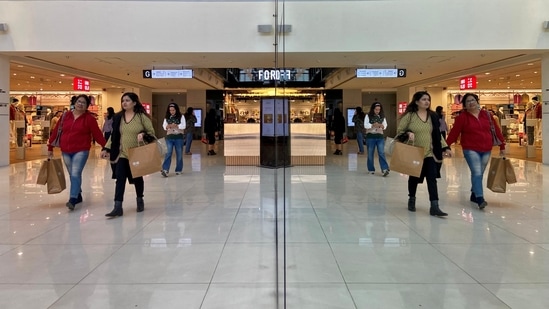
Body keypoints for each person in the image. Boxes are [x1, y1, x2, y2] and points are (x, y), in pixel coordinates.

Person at [397, 91, 453, 217]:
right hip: (415, 152)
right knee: (414, 178)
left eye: (428, 99)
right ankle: (412, 198)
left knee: (432, 179)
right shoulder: (410, 116)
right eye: (423, 99)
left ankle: (435, 206)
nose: (427, 102)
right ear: (417, 101)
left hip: (430, 153)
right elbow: (400, 131)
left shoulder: (432, 116)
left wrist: (446, 147)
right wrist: (407, 133)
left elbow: (437, 135)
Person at [446, 93, 505, 210]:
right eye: (468, 101)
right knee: (477, 172)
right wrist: (446, 146)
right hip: (470, 148)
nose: (471, 103)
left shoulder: (487, 115)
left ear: (477, 101)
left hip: (486, 148)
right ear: (464, 105)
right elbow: (454, 133)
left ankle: (474, 193)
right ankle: (480, 198)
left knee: (480, 173)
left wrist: (502, 146)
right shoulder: (462, 118)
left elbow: (496, 130)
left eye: (473, 100)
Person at [47, 95, 106, 210]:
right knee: (72, 174)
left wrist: (106, 147)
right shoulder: (65, 116)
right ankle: (78, 195)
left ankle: (72, 199)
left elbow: (97, 134)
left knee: (75, 173)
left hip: (81, 150)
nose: (80, 104)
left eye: (83, 103)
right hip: (66, 150)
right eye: (79, 101)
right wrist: (50, 147)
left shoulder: (89, 119)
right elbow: (56, 132)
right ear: (75, 102)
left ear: (87, 106)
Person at [101, 92, 155, 217]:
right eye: (123, 100)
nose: (124, 103)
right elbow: (114, 136)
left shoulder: (142, 117)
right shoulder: (118, 117)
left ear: (134, 103)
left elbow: (151, 133)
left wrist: (143, 134)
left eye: (127, 100)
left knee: (137, 178)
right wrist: (106, 148)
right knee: (120, 179)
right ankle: (117, 207)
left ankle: (139, 199)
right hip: (122, 153)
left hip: (137, 153)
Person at [364, 102, 389, 176]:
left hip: (380, 137)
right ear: (373, 109)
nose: (377, 111)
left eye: (379, 109)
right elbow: (365, 125)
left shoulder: (382, 116)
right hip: (370, 137)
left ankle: (385, 169)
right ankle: (371, 169)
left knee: (381, 153)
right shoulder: (368, 116)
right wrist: (372, 125)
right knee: (370, 153)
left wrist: (382, 126)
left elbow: (385, 125)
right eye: (376, 109)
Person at [161, 103, 186, 177]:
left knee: (179, 154)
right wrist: (167, 126)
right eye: (170, 110)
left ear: (176, 110)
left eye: (173, 110)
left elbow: (184, 126)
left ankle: (178, 169)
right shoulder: (167, 117)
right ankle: (165, 169)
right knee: (168, 153)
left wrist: (177, 125)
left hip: (179, 137)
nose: (172, 112)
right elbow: (164, 126)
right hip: (169, 137)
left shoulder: (181, 116)